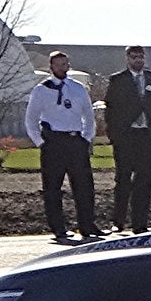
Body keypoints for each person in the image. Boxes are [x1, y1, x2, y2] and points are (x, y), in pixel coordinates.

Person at [25, 51, 101, 241]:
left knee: (84, 187)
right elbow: (31, 120)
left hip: (75, 142)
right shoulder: (41, 90)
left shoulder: (78, 88)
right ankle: (58, 229)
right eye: (58, 64)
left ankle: (87, 226)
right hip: (53, 143)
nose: (62, 67)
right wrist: (41, 143)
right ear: (51, 67)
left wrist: (86, 138)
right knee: (53, 189)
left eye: (65, 64)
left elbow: (88, 116)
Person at [104, 44, 151, 232]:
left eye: (140, 57)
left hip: (147, 137)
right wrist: (115, 135)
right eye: (133, 57)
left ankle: (140, 223)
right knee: (123, 179)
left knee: (145, 180)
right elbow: (111, 111)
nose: (137, 60)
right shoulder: (118, 80)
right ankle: (119, 221)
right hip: (126, 137)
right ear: (127, 59)